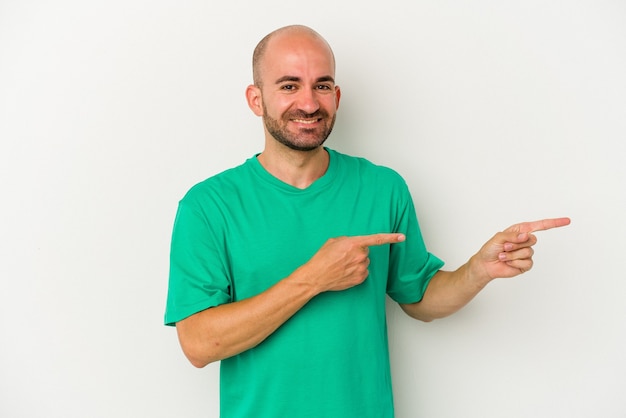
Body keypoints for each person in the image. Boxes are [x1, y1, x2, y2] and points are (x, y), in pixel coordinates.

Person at [164, 24, 570, 418]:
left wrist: (478, 271)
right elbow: (199, 343)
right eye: (289, 85)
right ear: (256, 99)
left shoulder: (382, 188)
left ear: (336, 96)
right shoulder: (208, 206)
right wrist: (314, 278)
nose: (308, 103)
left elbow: (420, 297)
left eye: (321, 85)